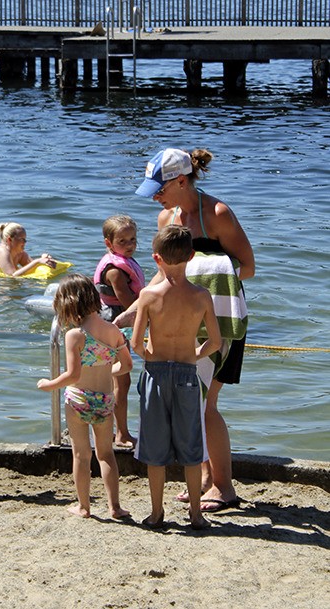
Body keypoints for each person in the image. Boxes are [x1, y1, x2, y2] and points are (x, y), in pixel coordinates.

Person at [133, 147, 255, 513]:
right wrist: (139, 307)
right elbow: (163, 272)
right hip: (181, 321)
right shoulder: (165, 217)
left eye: (159, 188)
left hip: (220, 319)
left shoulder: (217, 214)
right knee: (191, 402)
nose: (155, 195)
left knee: (206, 406)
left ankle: (224, 486)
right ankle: (202, 477)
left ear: (182, 181)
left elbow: (246, 267)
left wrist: (202, 274)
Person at [131, 226, 222, 530]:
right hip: (185, 373)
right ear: (192, 256)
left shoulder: (147, 295)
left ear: (156, 257)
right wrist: (192, 355)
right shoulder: (201, 296)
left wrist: (151, 357)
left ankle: (157, 514)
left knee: (155, 450)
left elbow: (135, 344)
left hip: (156, 373)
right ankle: (196, 514)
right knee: (191, 448)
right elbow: (216, 342)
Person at [37, 274, 132, 519]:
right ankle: (115, 507)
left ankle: (84, 506)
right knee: (106, 454)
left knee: (81, 454)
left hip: (79, 399)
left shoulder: (75, 335)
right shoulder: (113, 331)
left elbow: (72, 375)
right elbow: (127, 365)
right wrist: (107, 369)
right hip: (104, 400)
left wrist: (49, 384)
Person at [94, 215, 145, 448]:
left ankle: (119, 431)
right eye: (122, 241)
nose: (129, 245)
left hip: (116, 328)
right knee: (120, 383)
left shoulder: (122, 262)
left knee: (120, 381)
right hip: (114, 329)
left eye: (132, 239)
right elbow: (128, 304)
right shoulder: (115, 270)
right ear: (108, 243)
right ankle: (121, 434)